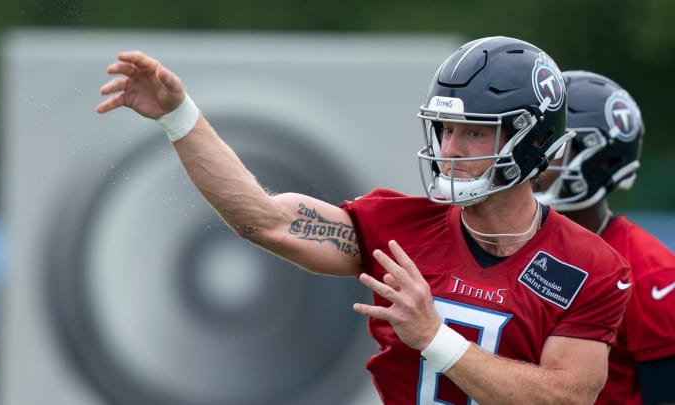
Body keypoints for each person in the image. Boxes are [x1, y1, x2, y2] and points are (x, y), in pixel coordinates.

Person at [97, 36, 632, 404]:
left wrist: (435, 337)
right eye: (444, 129)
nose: (449, 148)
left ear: (531, 137)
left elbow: (568, 395)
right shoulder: (402, 226)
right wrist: (178, 116)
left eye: (473, 131)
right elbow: (265, 220)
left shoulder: (591, 265)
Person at [533, 70, 675, 405]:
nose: (531, 158)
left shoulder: (650, 274)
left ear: (600, 160)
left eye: (550, 148)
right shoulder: (503, 243)